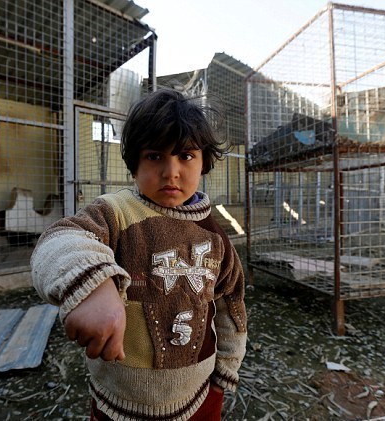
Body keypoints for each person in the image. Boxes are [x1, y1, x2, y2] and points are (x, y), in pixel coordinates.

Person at [31, 89, 247, 421]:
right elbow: (59, 239)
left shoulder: (215, 236)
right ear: (134, 164)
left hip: (200, 395)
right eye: (155, 156)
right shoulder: (115, 213)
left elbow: (232, 304)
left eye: (185, 156)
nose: (171, 171)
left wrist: (226, 371)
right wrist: (94, 284)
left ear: (204, 162)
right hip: (120, 402)